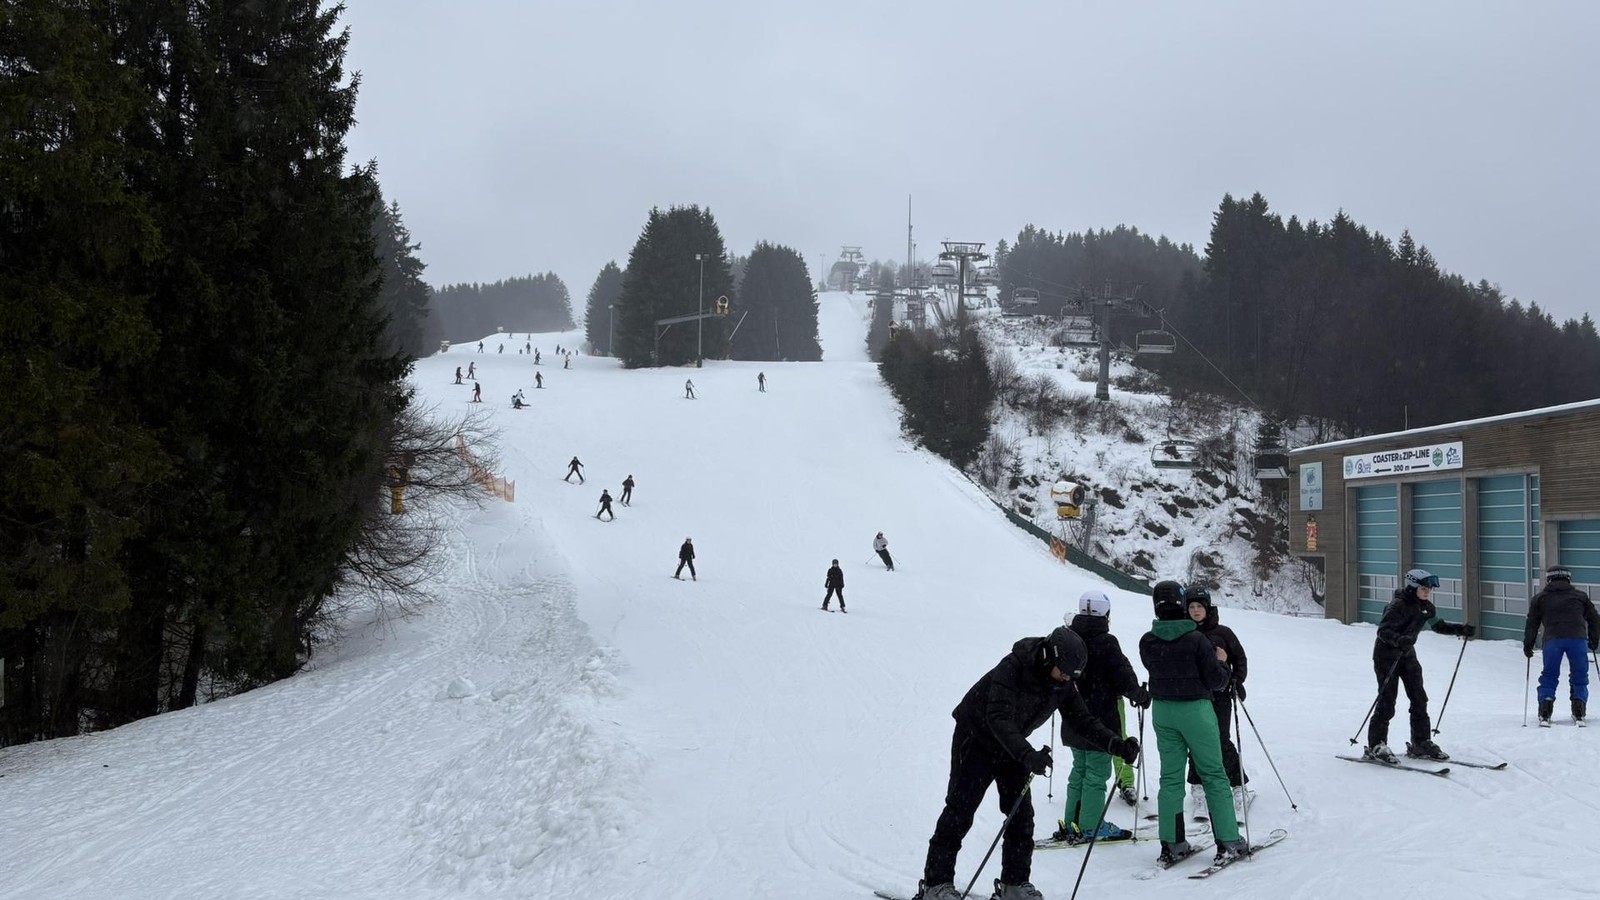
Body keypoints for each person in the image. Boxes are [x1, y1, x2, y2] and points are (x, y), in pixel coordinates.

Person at [914, 627, 1139, 900]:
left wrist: (1116, 744)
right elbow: (997, 717)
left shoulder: (1062, 681)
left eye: (1071, 676)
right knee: (960, 810)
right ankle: (936, 885)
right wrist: (1027, 755)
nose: (1066, 679)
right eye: (1063, 672)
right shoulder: (1013, 667)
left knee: (1021, 817)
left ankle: (1014, 884)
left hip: (1013, 744)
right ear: (1048, 658)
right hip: (976, 739)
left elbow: (1082, 720)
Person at [1139, 580, 1249, 866]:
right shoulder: (1197, 640)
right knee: (1213, 773)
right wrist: (1223, 664)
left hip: (1162, 711)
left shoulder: (1147, 640)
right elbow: (1216, 680)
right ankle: (1228, 841)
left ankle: (1173, 843)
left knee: (1170, 778)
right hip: (1196, 710)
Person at [1055, 591, 1151, 844]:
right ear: (1105, 614)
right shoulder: (1106, 642)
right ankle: (1090, 825)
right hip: (1100, 720)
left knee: (1079, 770)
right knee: (1096, 774)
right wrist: (1140, 695)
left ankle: (1072, 822)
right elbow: (1123, 676)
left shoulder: (1069, 636)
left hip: (1073, 716)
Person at [1365, 568, 1475, 762]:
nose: (1428, 592)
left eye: (1430, 589)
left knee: (1419, 698)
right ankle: (1377, 744)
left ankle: (1421, 742)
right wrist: (1399, 640)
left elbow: (1438, 625)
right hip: (1386, 656)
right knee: (1387, 700)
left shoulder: (1426, 607)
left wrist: (1461, 629)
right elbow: (1383, 631)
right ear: (1414, 586)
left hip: (1407, 656)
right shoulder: (1398, 605)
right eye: (1424, 588)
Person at [1182, 588, 1251, 820]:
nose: (1195, 611)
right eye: (1191, 607)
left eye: (1199, 607)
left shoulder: (1223, 633)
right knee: (1196, 742)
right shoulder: (1184, 631)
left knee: (1221, 740)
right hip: (1195, 696)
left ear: (1207, 608)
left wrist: (1236, 680)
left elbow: (1239, 659)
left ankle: (1239, 785)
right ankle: (1198, 788)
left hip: (1220, 695)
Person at [1525, 564, 1600, 725]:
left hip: (1553, 640)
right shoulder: (1580, 596)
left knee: (1549, 675)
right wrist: (1594, 639)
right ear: (1568, 578)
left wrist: (1528, 644)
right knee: (1579, 674)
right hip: (1577, 639)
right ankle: (1579, 710)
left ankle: (1545, 710)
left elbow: (1532, 623)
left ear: (1549, 579)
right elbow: (1594, 618)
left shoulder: (1540, 598)